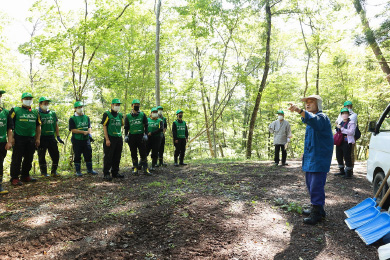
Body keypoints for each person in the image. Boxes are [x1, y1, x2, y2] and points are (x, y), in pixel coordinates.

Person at [288, 95, 333, 225]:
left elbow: (314, 121)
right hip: (311, 157)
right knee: (310, 184)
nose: (307, 104)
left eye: (311, 102)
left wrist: (298, 110)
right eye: (306, 103)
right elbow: (310, 121)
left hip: (319, 157)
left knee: (316, 185)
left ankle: (317, 213)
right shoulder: (311, 119)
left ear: (318, 104)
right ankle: (318, 209)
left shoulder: (322, 117)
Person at [9, 92, 41, 186]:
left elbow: (38, 126)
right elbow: (10, 125)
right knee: (16, 158)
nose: (28, 100)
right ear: (21, 100)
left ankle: (25, 175)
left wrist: (38, 139)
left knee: (29, 158)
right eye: (26, 98)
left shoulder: (36, 112)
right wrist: (12, 138)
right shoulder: (15, 110)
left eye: (30, 99)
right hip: (19, 138)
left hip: (31, 139)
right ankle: (14, 178)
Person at [68, 101, 98, 177]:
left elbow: (89, 127)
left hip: (86, 139)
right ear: (75, 108)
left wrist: (89, 134)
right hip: (77, 140)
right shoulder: (72, 118)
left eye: (81, 107)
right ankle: (78, 171)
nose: (80, 109)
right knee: (77, 155)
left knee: (88, 154)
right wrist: (82, 132)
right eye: (78, 107)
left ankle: (90, 170)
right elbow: (72, 129)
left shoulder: (86, 117)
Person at [38, 97, 64, 177]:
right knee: (42, 155)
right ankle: (43, 172)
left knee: (56, 154)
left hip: (51, 137)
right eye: (44, 103)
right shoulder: (37, 113)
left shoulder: (52, 113)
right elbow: (36, 126)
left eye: (47, 103)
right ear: (40, 104)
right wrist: (37, 138)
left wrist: (58, 136)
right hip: (42, 137)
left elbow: (56, 125)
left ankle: (54, 171)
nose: (46, 105)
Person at [124, 99, 151, 176]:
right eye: (135, 104)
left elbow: (146, 125)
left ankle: (146, 168)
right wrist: (126, 136)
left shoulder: (142, 114)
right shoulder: (128, 116)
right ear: (132, 106)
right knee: (133, 153)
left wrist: (146, 134)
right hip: (132, 137)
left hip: (141, 136)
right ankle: (135, 168)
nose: (136, 106)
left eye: (138, 104)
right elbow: (126, 127)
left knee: (143, 152)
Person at [101, 98, 124, 181]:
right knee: (108, 156)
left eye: (118, 105)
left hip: (118, 137)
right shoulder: (107, 114)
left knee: (117, 156)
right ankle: (106, 173)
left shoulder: (120, 115)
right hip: (110, 137)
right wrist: (107, 139)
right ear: (112, 105)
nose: (117, 106)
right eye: (116, 105)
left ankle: (115, 172)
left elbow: (121, 125)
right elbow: (104, 126)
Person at [334, 107, 356, 179]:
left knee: (347, 157)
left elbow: (351, 132)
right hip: (339, 142)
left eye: (346, 113)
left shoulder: (351, 122)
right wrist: (337, 128)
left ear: (348, 114)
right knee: (339, 156)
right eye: (343, 114)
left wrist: (341, 129)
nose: (344, 115)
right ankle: (341, 171)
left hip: (347, 142)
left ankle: (348, 173)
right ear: (341, 115)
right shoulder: (340, 122)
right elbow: (337, 131)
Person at [336, 100, 358, 168]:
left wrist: (341, 127)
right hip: (340, 138)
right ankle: (342, 170)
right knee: (339, 155)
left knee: (348, 155)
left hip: (349, 138)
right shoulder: (340, 114)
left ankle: (349, 172)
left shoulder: (354, 115)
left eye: (350, 106)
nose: (349, 107)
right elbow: (337, 122)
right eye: (347, 106)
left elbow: (347, 121)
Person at [0, 91, 13, 193]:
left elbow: (9, 129)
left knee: (0, 163)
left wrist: (9, 141)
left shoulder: (5, 112)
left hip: (2, 143)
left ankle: (0, 186)